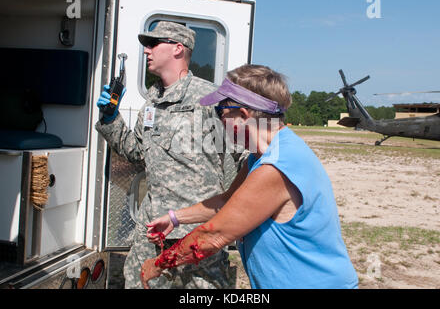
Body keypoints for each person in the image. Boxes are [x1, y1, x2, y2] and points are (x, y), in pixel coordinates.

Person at [141, 64, 359, 289]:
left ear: (242, 115)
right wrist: (175, 217)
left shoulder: (276, 166)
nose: (219, 122)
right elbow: (228, 201)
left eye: (220, 113)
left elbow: (214, 235)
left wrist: (158, 264)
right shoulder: (262, 155)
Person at [96, 21, 245, 289]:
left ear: (178, 48)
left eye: (153, 44)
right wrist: (110, 119)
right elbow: (137, 153)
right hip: (152, 230)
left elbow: (242, 154)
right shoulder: (152, 102)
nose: (146, 51)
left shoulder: (210, 98)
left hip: (197, 232)